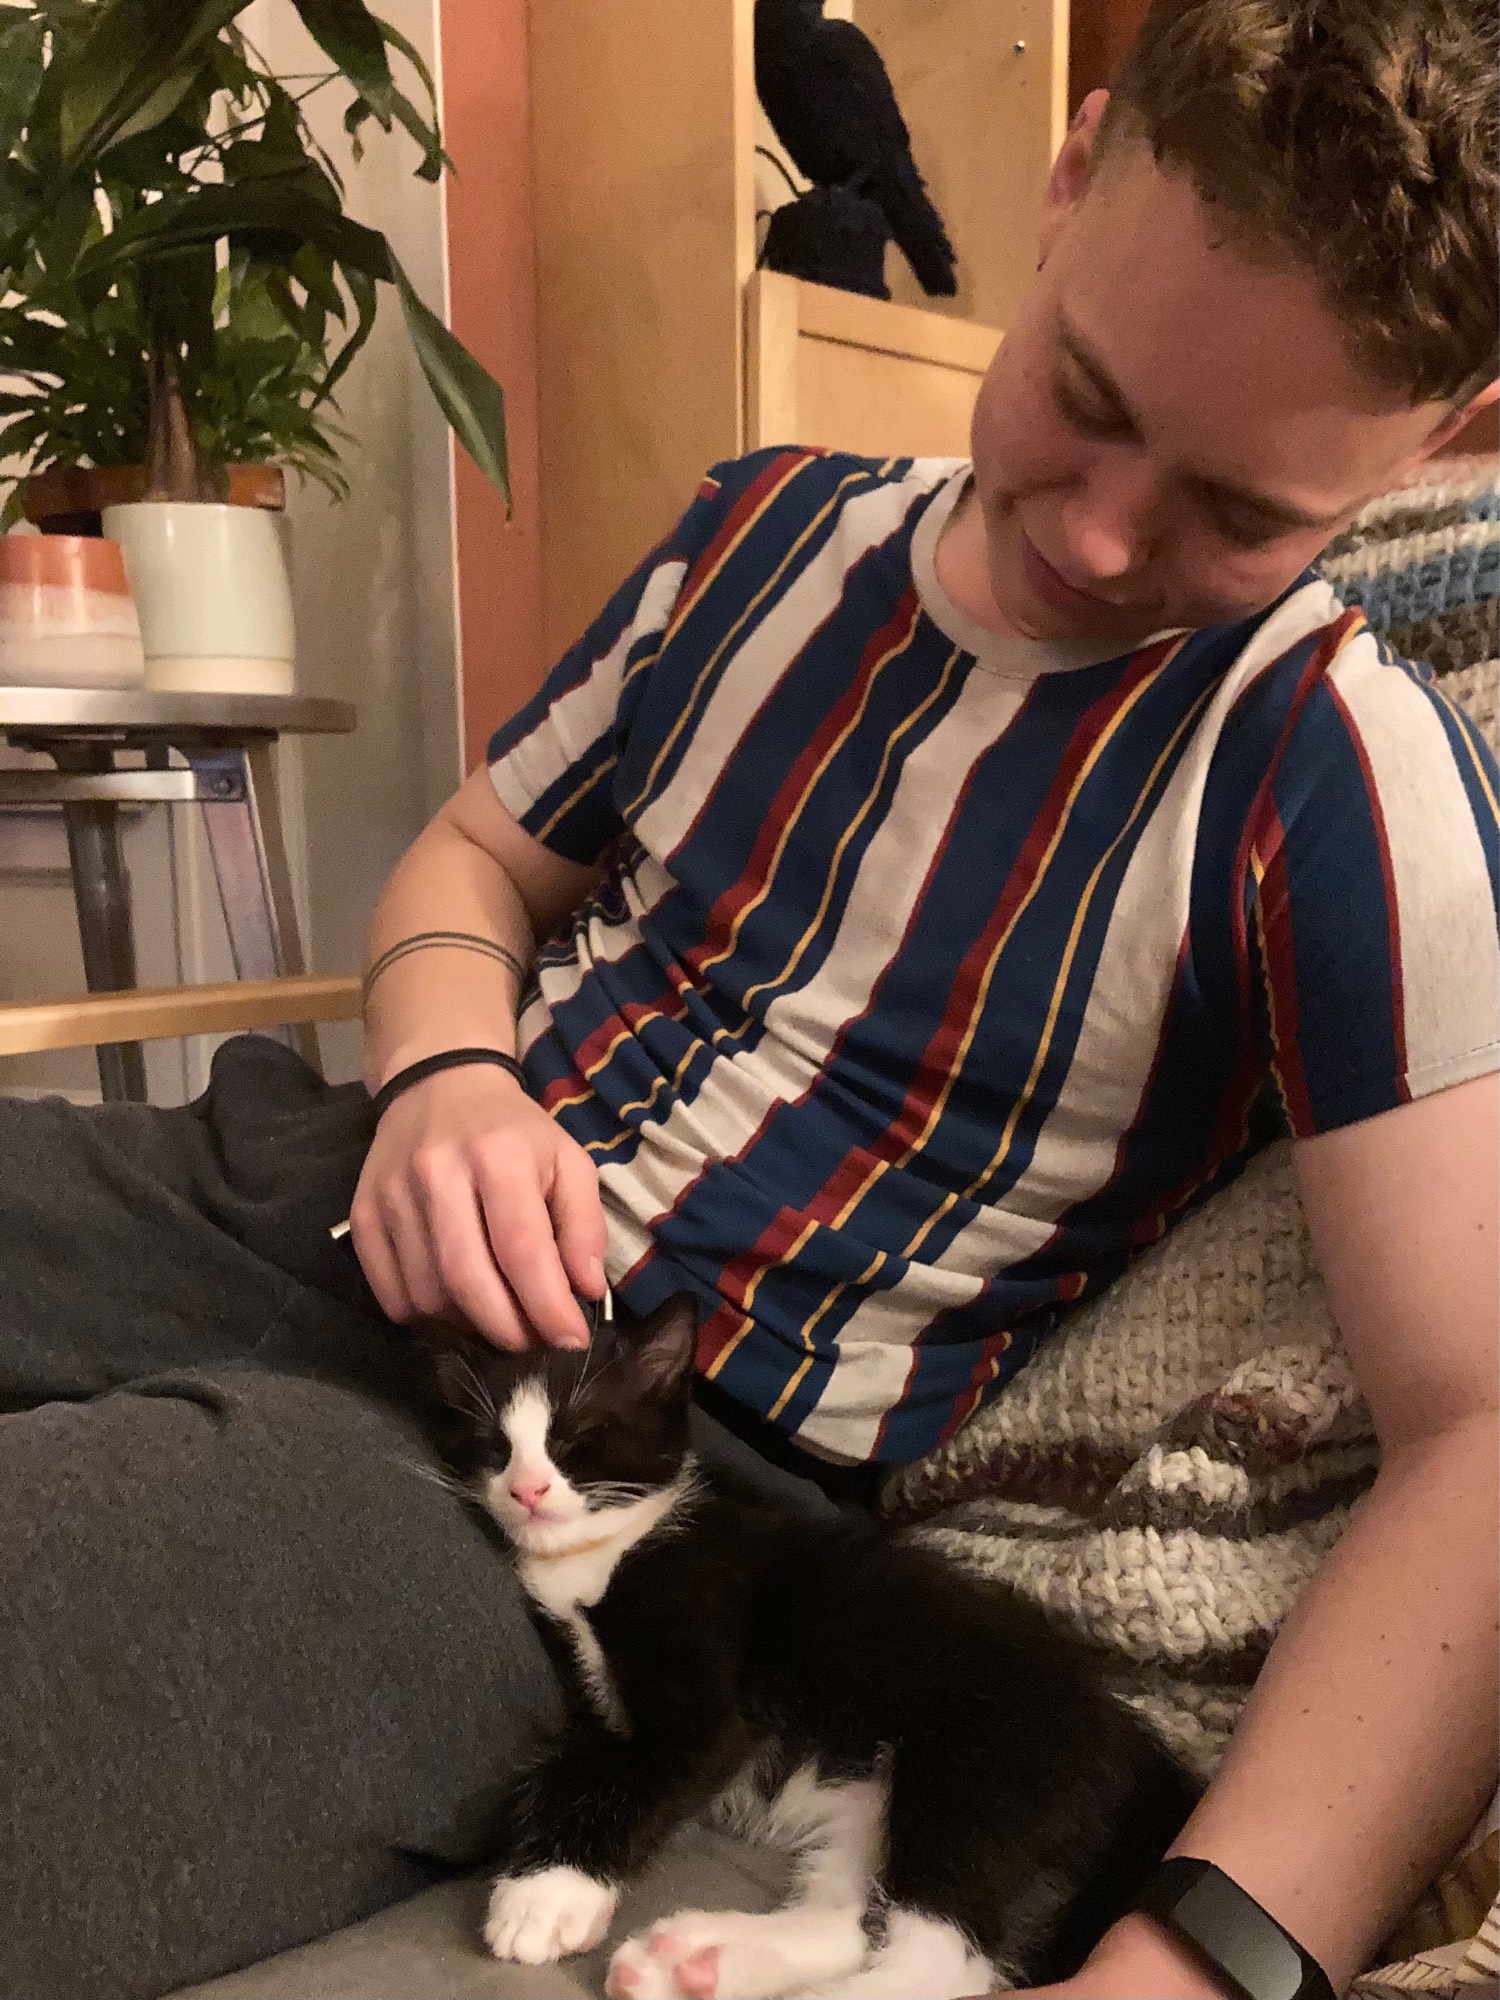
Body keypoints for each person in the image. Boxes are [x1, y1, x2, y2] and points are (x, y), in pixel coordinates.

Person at [0, 3, 1492, 1998]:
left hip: (649, 1482)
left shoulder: (1339, 776)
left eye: (1240, 515)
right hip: (292, 1174)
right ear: (1069, 184)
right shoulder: (762, 531)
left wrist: (1200, 1962)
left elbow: (1483, 1428)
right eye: (1081, 390)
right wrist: (446, 1073)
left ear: (1443, 437)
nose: (1101, 533)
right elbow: (472, 859)